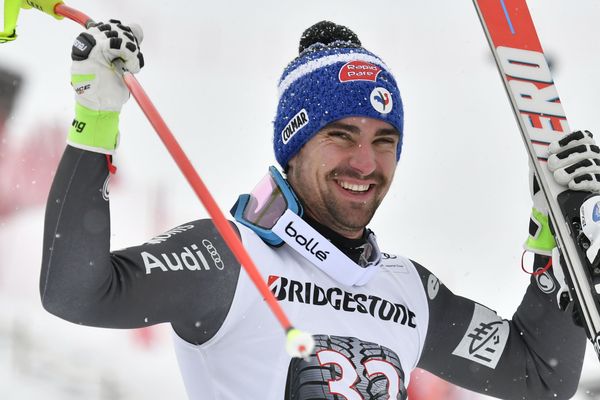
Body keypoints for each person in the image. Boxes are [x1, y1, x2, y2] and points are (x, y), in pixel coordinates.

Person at [40, 19, 591, 399]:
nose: (364, 163)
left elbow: (540, 374)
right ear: (294, 143)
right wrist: (96, 119)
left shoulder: (408, 289)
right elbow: (74, 291)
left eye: (384, 141)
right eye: (341, 135)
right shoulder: (229, 257)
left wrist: (554, 242)